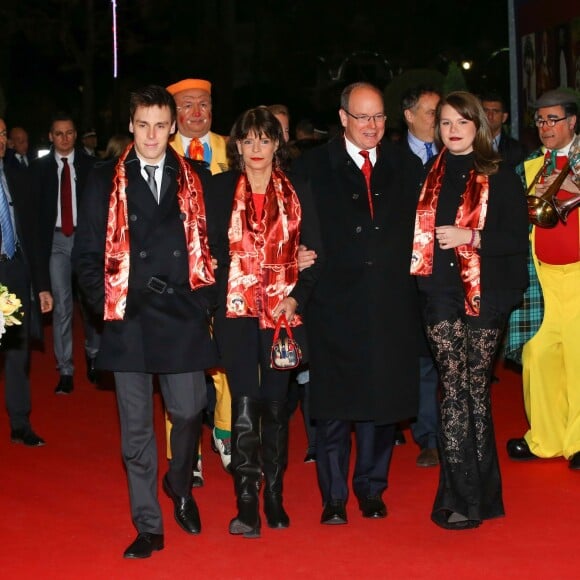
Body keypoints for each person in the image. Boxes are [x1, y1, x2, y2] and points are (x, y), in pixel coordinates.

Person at [73, 85, 217, 558]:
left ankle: (178, 484)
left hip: (182, 314)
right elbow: (87, 255)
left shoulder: (194, 176)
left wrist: (203, 304)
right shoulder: (102, 180)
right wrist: (109, 305)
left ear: (173, 126)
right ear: (130, 127)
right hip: (129, 319)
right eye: (142, 125)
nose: (152, 135)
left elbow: (216, 249)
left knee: (190, 408)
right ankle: (148, 524)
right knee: (136, 431)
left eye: (160, 125)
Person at [293, 82, 421, 525]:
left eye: (380, 117)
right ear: (343, 118)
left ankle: (371, 488)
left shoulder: (406, 165)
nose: (372, 126)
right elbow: (292, 228)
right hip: (332, 303)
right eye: (363, 117)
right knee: (332, 406)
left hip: (389, 304)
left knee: (381, 404)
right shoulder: (311, 167)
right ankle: (333, 497)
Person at [410, 91, 529, 530]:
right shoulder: (428, 175)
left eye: (462, 121)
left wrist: (471, 238)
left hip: (487, 293)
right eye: (444, 123)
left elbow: (518, 241)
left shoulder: (499, 175)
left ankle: (482, 495)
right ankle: (459, 498)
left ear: (477, 125)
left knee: (474, 391)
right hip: (438, 291)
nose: (453, 130)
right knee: (452, 389)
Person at [210, 107, 322, 538]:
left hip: (282, 314)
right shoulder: (218, 190)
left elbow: (317, 255)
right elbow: (206, 251)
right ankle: (245, 503)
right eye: (248, 140)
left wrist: (296, 295)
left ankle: (273, 496)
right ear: (237, 146)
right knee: (243, 403)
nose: (256, 148)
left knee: (276, 406)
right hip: (236, 313)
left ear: (278, 144)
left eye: (265, 139)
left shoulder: (298, 192)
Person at [504, 88, 580, 470]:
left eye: (553, 119)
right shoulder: (530, 166)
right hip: (540, 276)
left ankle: (579, 442)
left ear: (573, 121)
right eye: (540, 120)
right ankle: (545, 439)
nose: (545, 127)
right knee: (538, 355)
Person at [166, 77, 231, 480]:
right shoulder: (158, 152)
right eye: (187, 105)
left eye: (203, 104)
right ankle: (186, 455)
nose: (196, 113)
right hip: (179, 279)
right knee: (179, 366)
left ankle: (227, 435)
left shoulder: (235, 149)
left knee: (230, 363)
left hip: (227, 278)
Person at [30, 113, 99, 393]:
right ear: (50, 136)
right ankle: (66, 369)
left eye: (69, 133)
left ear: (76, 134)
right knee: (61, 306)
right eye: (58, 133)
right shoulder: (38, 169)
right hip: (56, 241)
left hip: (85, 241)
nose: (64, 138)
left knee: (92, 303)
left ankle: (94, 355)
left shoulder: (92, 166)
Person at [1, 118, 53, 446]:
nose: (1, 140)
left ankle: (20, 423)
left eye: (3, 133)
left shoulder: (15, 175)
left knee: (17, 353)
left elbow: (32, 234)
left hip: (14, 271)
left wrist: (42, 284)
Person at [400, 85, 442, 468]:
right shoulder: (392, 161)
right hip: (404, 275)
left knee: (442, 355)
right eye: (431, 112)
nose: (439, 119)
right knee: (419, 358)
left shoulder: (454, 155)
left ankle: (446, 433)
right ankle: (427, 434)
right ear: (409, 115)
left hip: (446, 272)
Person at [480, 91, 527, 168]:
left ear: (504, 117)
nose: (490, 116)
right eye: (486, 111)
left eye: (495, 111)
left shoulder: (517, 150)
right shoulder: (469, 145)